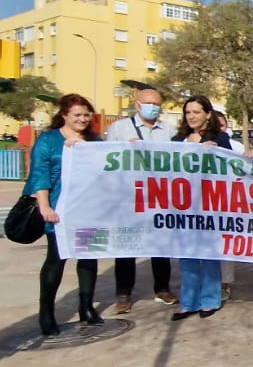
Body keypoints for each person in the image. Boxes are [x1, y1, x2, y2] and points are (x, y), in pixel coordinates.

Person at [29, 94, 103, 335]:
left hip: (89, 207)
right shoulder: (49, 140)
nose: (82, 119)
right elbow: (39, 174)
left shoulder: (94, 141)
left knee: (89, 256)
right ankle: (46, 313)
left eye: (86, 115)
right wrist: (44, 206)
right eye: (77, 115)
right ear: (64, 115)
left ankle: (86, 307)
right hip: (58, 206)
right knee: (56, 258)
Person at [105, 86, 177, 311]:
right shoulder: (119, 128)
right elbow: (105, 159)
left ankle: (162, 288)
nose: (153, 108)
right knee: (126, 247)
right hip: (128, 197)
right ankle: (123, 294)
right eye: (148, 103)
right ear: (137, 105)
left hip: (159, 196)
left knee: (160, 246)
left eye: (157, 104)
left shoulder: (169, 130)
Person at [172, 96, 233, 322]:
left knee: (208, 255)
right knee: (186, 256)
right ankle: (188, 302)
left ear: (208, 114)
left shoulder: (220, 138)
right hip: (182, 205)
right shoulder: (177, 139)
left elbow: (231, 167)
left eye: (196, 112)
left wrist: (214, 153)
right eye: (188, 112)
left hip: (209, 205)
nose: (191, 116)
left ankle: (209, 300)